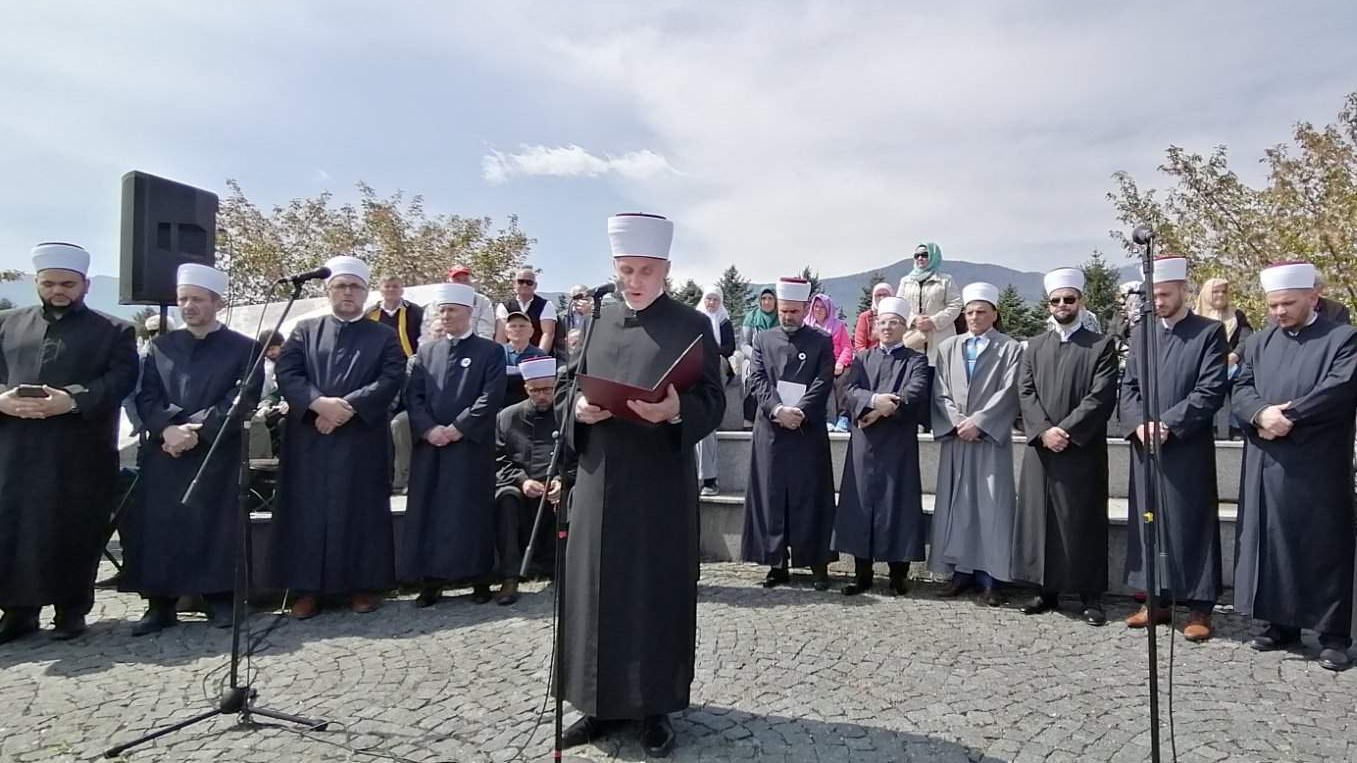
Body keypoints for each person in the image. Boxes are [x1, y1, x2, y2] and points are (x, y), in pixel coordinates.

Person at [557, 213, 724, 757]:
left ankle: (656, 707)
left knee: (654, 593)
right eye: (626, 270)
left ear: (666, 271)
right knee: (595, 592)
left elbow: (714, 400)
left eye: (646, 271)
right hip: (600, 480)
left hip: (658, 484)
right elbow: (565, 392)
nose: (634, 281)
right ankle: (594, 705)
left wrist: (679, 409)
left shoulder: (692, 325)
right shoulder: (594, 323)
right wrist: (578, 409)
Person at [0, 243, 138, 643]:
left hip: (79, 452)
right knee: (15, 529)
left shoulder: (114, 330)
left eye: (67, 284)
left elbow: (121, 380)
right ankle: (17, 611)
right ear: (36, 283)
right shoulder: (6, 324)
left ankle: (70, 611)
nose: (58, 291)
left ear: (85, 285)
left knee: (74, 528)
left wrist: (73, 400)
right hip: (15, 450)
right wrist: (4, 399)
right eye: (49, 284)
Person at [121, 264, 261, 635]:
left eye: (197, 299)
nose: (188, 306)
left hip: (216, 451)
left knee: (216, 525)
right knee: (160, 526)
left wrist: (197, 429)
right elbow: (146, 394)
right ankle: (160, 604)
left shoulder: (245, 348)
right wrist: (167, 429)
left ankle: (219, 599)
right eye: (183, 299)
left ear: (217, 302)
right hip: (165, 452)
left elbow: (243, 396)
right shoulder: (161, 347)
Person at [1232, 261, 1357, 671]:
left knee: (1323, 546)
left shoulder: (1343, 338)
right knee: (1275, 543)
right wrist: (1260, 415)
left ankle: (1333, 635)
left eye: (1287, 304)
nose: (1279, 312)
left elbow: (1338, 389)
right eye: (1273, 306)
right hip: (1269, 461)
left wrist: (1289, 418)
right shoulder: (1260, 343)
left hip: (1318, 464)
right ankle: (1279, 623)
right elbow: (1241, 389)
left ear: (1313, 297)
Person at [271, 256, 407, 619]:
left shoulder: (384, 335)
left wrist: (344, 408)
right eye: (341, 286)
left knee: (360, 511)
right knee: (308, 512)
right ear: (327, 290)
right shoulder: (304, 330)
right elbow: (288, 373)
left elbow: (391, 377)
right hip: (310, 439)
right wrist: (318, 404)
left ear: (365, 293)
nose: (348, 293)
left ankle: (362, 587)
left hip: (360, 438)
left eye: (355, 287)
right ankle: (306, 589)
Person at [1120, 257, 1229, 641]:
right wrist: (1139, 423)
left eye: (1165, 294)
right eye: (1153, 295)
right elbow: (1129, 387)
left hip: (1185, 446)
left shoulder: (1209, 332)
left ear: (1184, 290)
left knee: (1191, 521)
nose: (1159, 301)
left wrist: (1170, 423)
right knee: (1150, 522)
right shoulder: (1141, 334)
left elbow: (1211, 389)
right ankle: (1156, 599)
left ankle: (1199, 606)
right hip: (1146, 444)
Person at [1012, 268, 1119, 627]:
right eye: (1056, 300)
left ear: (1080, 302)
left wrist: (1066, 431)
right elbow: (1025, 392)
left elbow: (1101, 396)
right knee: (1041, 520)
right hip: (1041, 450)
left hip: (1081, 449)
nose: (1062, 305)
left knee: (1082, 520)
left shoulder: (1101, 345)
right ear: (1049, 305)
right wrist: (1043, 431)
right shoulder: (1034, 346)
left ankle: (1090, 596)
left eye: (1068, 299)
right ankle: (1046, 589)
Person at [399, 282, 506, 607]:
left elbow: (490, 396)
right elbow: (413, 396)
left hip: (469, 446)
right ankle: (431, 580)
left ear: (469, 313)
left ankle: (479, 577)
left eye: (453, 310)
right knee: (429, 510)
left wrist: (459, 428)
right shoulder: (425, 353)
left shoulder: (489, 351)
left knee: (471, 510)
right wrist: (430, 429)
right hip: (431, 445)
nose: (446, 316)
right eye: (442, 310)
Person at [929, 282, 1022, 607]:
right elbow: (939, 390)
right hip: (957, 439)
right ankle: (960, 573)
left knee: (992, 505)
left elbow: (1010, 391)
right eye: (969, 312)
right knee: (959, 504)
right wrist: (956, 421)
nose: (974, 317)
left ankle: (992, 577)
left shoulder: (1010, 348)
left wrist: (980, 422)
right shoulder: (949, 348)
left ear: (995, 314)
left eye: (981, 312)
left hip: (988, 440)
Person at [742, 277, 837, 591]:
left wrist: (801, 412)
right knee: (771, 496)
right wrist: (778, 410)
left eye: (794, 312)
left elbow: (824, 381)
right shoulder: (763, 339)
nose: (788, 317)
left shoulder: (821, 341)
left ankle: (817, 563)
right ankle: (776, 563)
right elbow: (757, 380)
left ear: (806, 308)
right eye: (784, 311)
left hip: (806, 431)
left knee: (810, 496)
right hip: (771, 430)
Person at [832, 296, 930, 596]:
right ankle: (862, 574)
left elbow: (915, 391)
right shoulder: (862, 359)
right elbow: (848, 390)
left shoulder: (916, 360)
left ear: (904, 327)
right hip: (865, 444)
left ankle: (897, 575)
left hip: (898, 444)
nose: (887, 328)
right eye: (883, 322)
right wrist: (874, 402)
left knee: (896, 505)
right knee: (861, 504)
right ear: (875, 326)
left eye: (894, 323)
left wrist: (881, 409)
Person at [494, 356, 573, 603]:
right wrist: (521, 480)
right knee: (505, 500)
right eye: (535, 390)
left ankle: (563, 569)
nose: (542, 396)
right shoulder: (507, 417)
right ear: (526, 389)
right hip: (522, 484)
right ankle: (510, 577)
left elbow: (581, 453)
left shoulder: (568, 414)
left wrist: (563, 479)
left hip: (558, 483)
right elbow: (498, 459)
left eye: (548, 389)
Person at [696, 286, 736, 496]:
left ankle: (713, 398)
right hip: (695, 364)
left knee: (717, 361)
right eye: (709, 299)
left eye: (715, 299)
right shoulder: (695, 318)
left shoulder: (724, 321)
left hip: (717, 363)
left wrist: (711, 351)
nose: (711, 303)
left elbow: (729, 347)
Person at [896, 242, 962, 366]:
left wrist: (934, 321)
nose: (920, 258)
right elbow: (899, 307)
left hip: (940, 339)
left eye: (925, 255)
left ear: (934, 256)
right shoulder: (905, 281)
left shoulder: (945, 280)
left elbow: (955, 304)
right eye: (917, 255)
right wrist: (914, 320)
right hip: (913, 339)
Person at [805, 293, 854, 432]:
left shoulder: (838, 326)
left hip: (836, 363)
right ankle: (823, 418)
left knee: (844, 379)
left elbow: (847, 348)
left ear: (828, 309)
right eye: (816, 306)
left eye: (822, 307)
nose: (818, 310)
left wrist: (840, 363)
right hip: (814, 364)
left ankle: (844, 418)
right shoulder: (806, 326)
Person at [421, 265, 500, 345]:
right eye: (457, 280)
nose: (462, 283)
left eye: (465, 280)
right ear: (449, 281)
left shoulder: (482, 301)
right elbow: (426, 334)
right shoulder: (435, 304)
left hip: (474, 348)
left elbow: (486, 332)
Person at [740, 287, 779, 426]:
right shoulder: (752, 317)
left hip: (777, 360)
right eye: (764, 299)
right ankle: (748, 420)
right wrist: (756, 356)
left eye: (770, 298)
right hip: (755, 358)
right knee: (753, 378)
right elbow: (744, 344)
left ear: (776, 301)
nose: (767, 302)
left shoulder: (780, 318)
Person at [496, 267, 556, 354]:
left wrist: (539, 357)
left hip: (536, 356)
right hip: (510, 357)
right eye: (520, 281)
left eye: (529, 282)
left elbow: (548, 334)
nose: (524, 285)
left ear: (535, 286)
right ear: (514, 283)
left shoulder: (546, 305)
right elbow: (501, 335)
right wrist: (501, 358)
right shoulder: (504, 306)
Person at [249, 330, 287, 459]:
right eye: (267, 350)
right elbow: (275, 392)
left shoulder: (293, 360)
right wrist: (267, 403)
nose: (270, 353)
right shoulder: (265, 366)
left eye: (273, 348)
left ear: (282, 344)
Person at [500, 310, 548, 409]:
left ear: (531, 332)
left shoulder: (540, 356)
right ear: (506, 332)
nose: (517, 329)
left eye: (522, 326)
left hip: (529, 408)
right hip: (501, 407)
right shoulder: (497, 353)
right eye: (513, 326)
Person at [366, 274, 423, 358]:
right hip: (379, 362)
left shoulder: (414, 311)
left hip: (408, 362)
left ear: (402, 290)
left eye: (395, 286)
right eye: (387, 286)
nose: (391, 289)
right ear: (380, 290)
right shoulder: (370, 313)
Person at [852, 282, 897, 352]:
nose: (881, 298)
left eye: (885, 295)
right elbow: (859, 345)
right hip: (871, 357)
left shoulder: (898, 316)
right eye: (878, 295)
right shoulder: (865, 317)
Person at [554, 284, 593, 363]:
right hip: (567, 357)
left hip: (589, 354)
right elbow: (557, 340)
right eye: (579, 297)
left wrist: (589, 314)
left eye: (586, 298)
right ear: (571, 298)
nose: (582, 300)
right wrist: (569, 340)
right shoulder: (562, 317)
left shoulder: (595, 315)